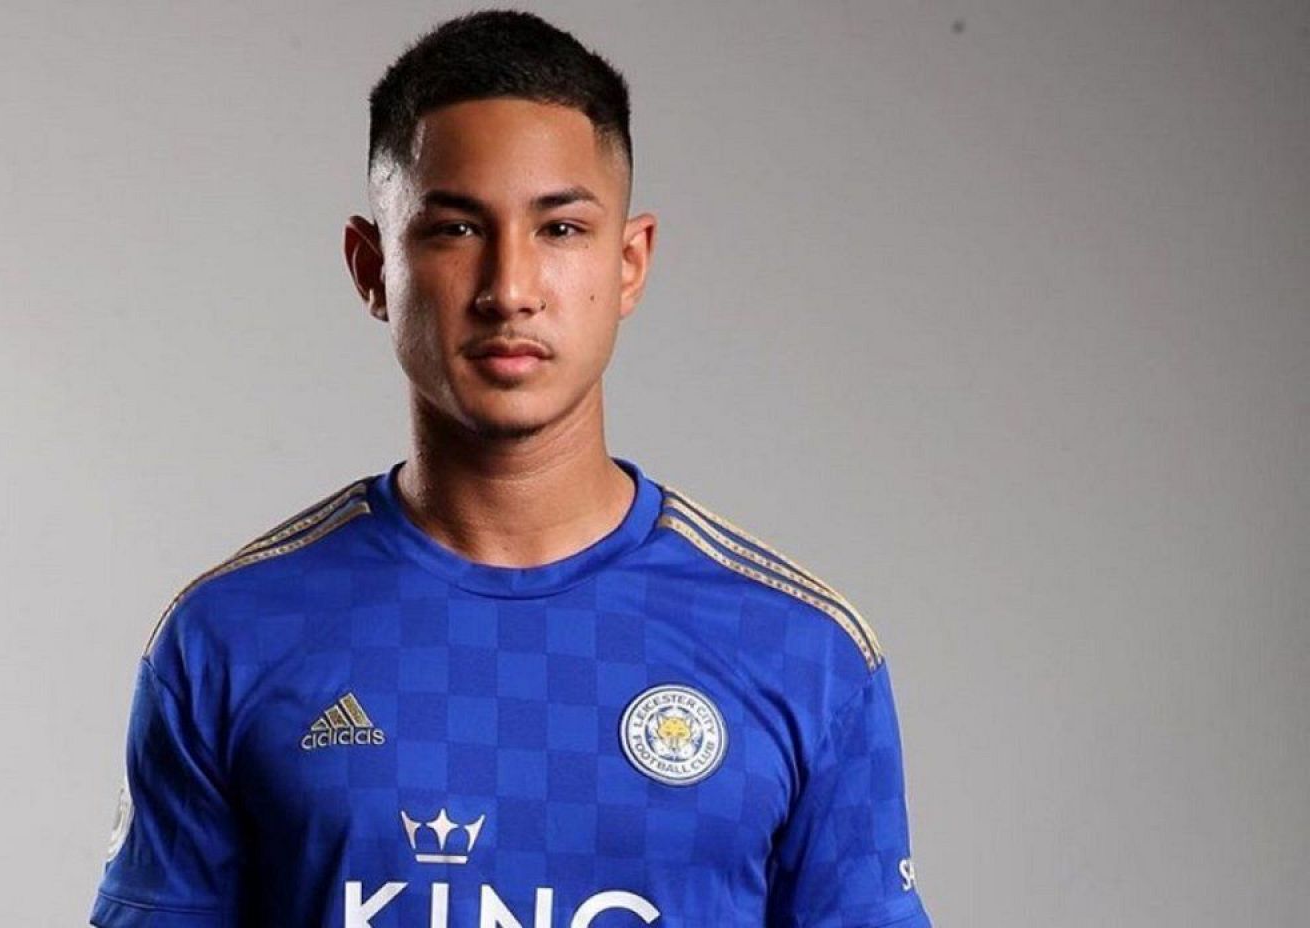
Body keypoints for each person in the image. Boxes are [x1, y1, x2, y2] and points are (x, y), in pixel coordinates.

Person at [90, 9, 931, 928]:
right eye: (455, 229)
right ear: (372, 268)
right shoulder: (232, 635)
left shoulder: (801, 652)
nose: (510, 289)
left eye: (560, 229)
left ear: (630, 263)